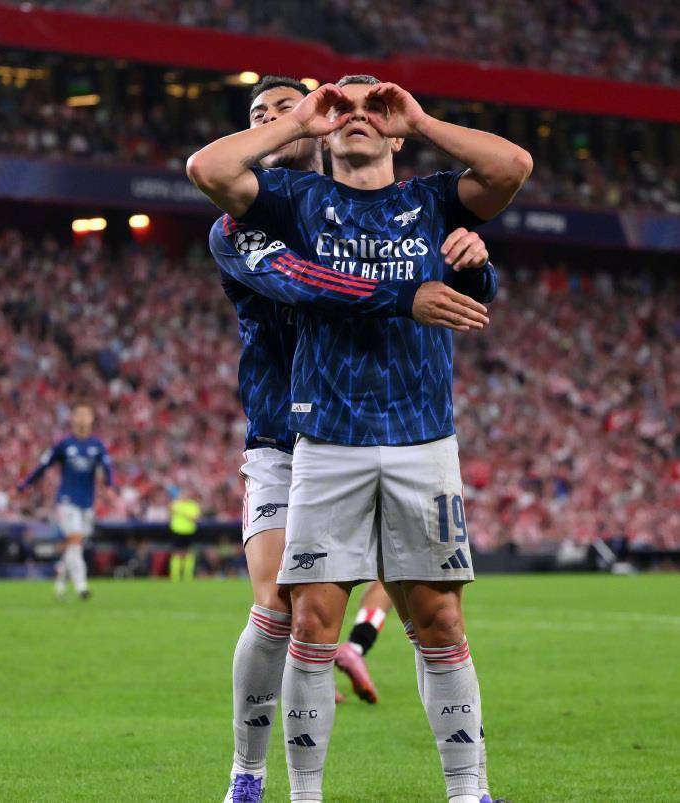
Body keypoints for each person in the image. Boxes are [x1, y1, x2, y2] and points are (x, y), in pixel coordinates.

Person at [189, 73, 531, 802]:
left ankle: (468, 789)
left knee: (434, 614)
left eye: (285, 107)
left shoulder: (406, 198)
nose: (271, 120)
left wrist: (474, 272)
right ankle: (249, 775)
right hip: (291, 433)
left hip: (403, 431)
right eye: (258, 115)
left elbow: (495, 189)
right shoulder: (252, 219)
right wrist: (409, 293)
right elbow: (303, 279)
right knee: (283, 610)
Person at [17, 400, 114, 599]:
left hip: (87, 502)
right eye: (78, 414)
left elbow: (107, 468)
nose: (82, 418)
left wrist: (110, 484)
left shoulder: (97, 445)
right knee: (75, 540)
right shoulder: (64, 444)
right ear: (73, 418)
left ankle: (61, 582)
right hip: (67, 500)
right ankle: (81, 586)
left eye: (86, 414)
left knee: (75, 545)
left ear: (92, 418)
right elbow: (44, 464)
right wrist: (25, 484)